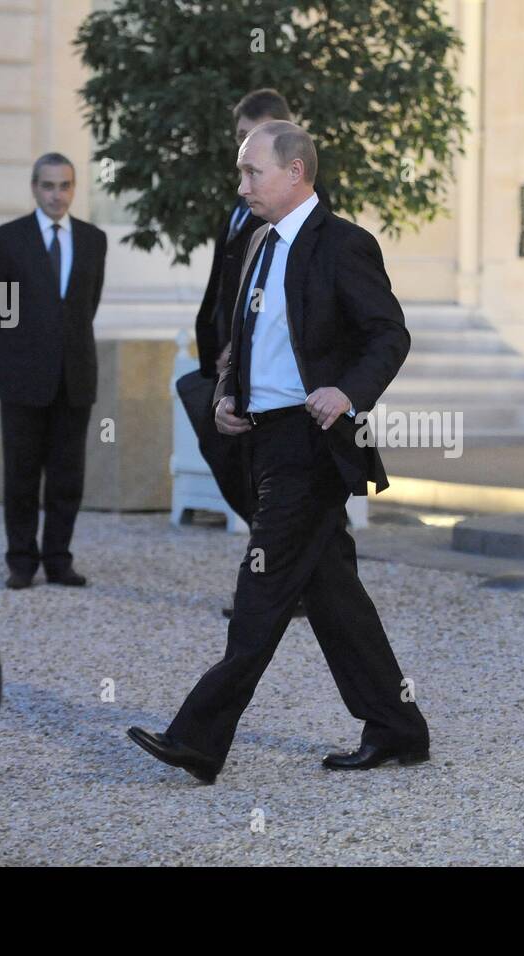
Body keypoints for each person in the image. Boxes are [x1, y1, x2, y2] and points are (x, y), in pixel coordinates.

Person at [129, 121, 429, 781]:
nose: (242, 186)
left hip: (311, 444)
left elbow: (389, 334)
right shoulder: (260, 245)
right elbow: (248, 341)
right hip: (265, 438)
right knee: (334, 597)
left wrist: (348, 392)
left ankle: (199, 740)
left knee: (261, 591)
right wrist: (228, 397)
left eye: (252, 173)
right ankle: (398, 727)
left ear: (295, 173)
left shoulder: (344, 245)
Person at [179, 88, 331, 618]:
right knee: (242, 464)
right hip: (231, 363)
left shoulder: (313, 219)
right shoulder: (245, 208)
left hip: (283, 392)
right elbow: (229, 283)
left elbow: (354, 322)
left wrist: (345, 389)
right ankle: (283, 582)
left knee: (286, 500)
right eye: (238, 138)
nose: (241, 154)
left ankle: (276, 590)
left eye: (250, 138)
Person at [0, 153, 106, 589]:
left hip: (74, 377)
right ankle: (21, 561)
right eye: (49, 186)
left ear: (74, 189)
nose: (58, 194)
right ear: (35, 188)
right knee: (20, 475)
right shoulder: (8, 238)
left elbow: (85, 306)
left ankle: (59, 559)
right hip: (21, 377)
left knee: (67, 476)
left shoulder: (94, 240)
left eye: (65, 185)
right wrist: (24, 353)